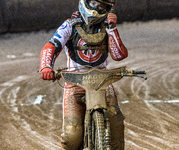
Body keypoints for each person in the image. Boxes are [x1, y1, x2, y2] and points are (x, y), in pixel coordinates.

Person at [39, 0, 128, 149]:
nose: (96, 9)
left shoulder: (107, 25)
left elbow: (119, 55)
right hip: (76, 81)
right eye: (93, 3)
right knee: (71, 134)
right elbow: (52, 45)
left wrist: (112, 29)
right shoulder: (70, 24)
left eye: (101, 6)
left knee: (116, 122)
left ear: (107, 8)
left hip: (102, 80)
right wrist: (46, 66)